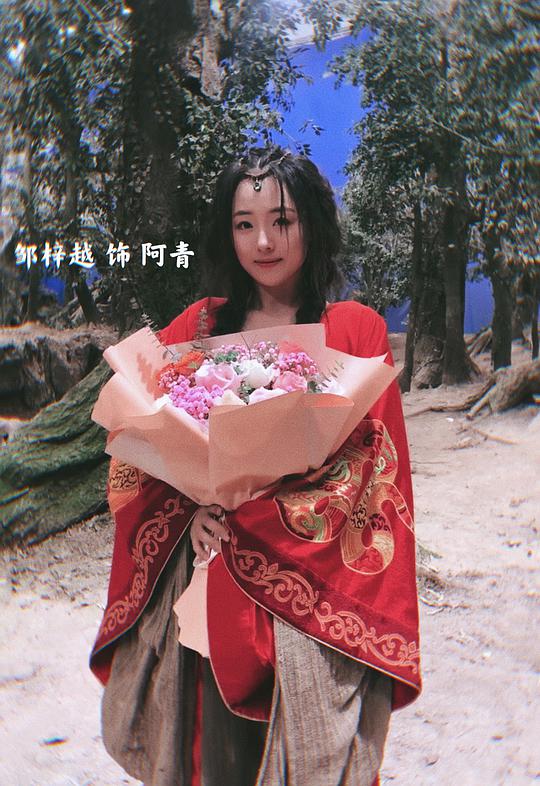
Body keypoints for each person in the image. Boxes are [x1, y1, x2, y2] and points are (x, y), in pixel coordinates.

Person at [90, 147, 421, 786]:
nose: (263, 242)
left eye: (282, 221)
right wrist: (191, 515)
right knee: (214, 754)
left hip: (308, 598)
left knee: (307, 750)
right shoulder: (199, 325)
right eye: (244, 224)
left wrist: (255, 519)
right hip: (208, 578)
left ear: (313, 223)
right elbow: (141, 453)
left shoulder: (354, 331)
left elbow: (371, 475)